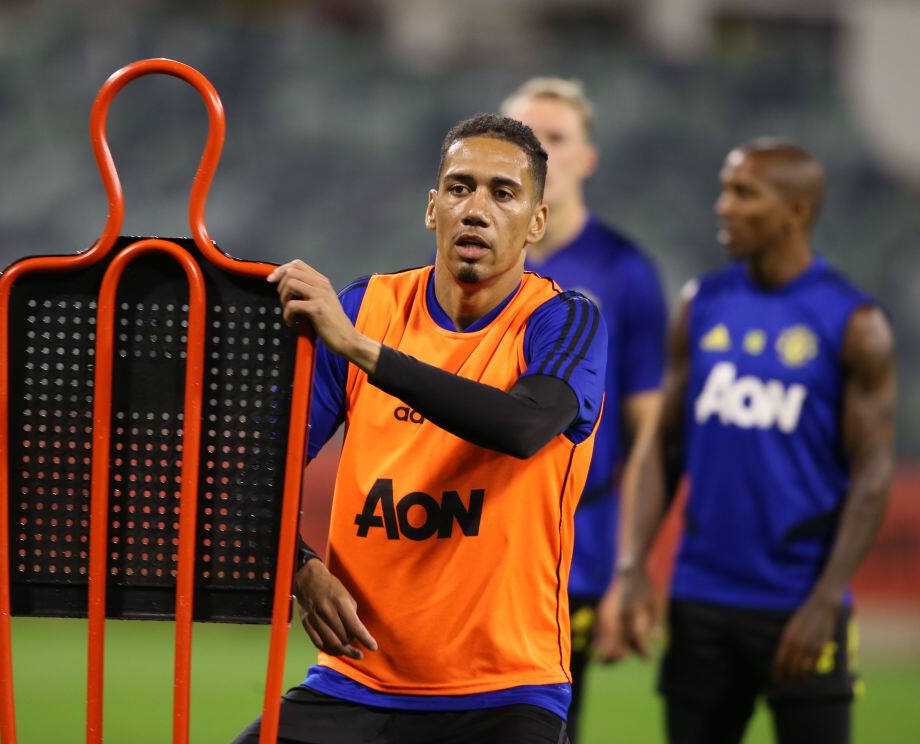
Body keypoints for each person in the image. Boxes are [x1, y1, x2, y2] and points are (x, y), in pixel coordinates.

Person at [231, 114, 608, 744]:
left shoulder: (563, 323)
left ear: (536, 222)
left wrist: (363, 351)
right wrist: (299, 569)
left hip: (508, 691)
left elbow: (523, 425)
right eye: (460, 188)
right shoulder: (365, 308)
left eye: (503, 193)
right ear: (432, 209)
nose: (476, 209)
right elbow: (250, 476)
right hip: (358, 680)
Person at [618, 139, 897, 744]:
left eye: (745, 193)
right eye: (724, 189)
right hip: (700, 599)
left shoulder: (854, 323)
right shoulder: (701, 306)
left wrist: (826, 599)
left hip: (800, 604)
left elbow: (873, 473)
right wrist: (635, 565)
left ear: (796, 210)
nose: (724, 206)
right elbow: (663, 449)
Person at [500, 77, 668, 740]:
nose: (539, 151)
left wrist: (634, 564)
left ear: (588, 158)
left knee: (551, 721)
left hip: (576, 541)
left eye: (557, 137)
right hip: (475, 526)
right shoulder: (473, 260)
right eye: (523, 136)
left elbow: (648, 427)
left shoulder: (624, 270)